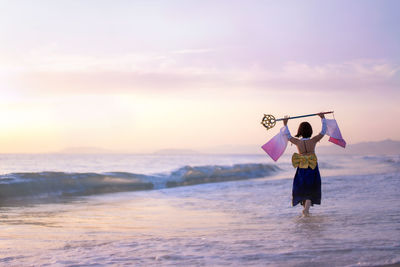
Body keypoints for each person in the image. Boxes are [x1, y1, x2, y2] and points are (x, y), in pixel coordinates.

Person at [282, 112, 327, 216]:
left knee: (303, 186)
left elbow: (287, 135)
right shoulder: (314, 140)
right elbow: (323, 131)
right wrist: (323, 118)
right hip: (312, 166)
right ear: (310, 131)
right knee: (311, 187)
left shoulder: (297, 142)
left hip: (302, 167)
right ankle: (306, 210)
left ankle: (306, 210)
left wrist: (285, 124)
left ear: (300, 131)